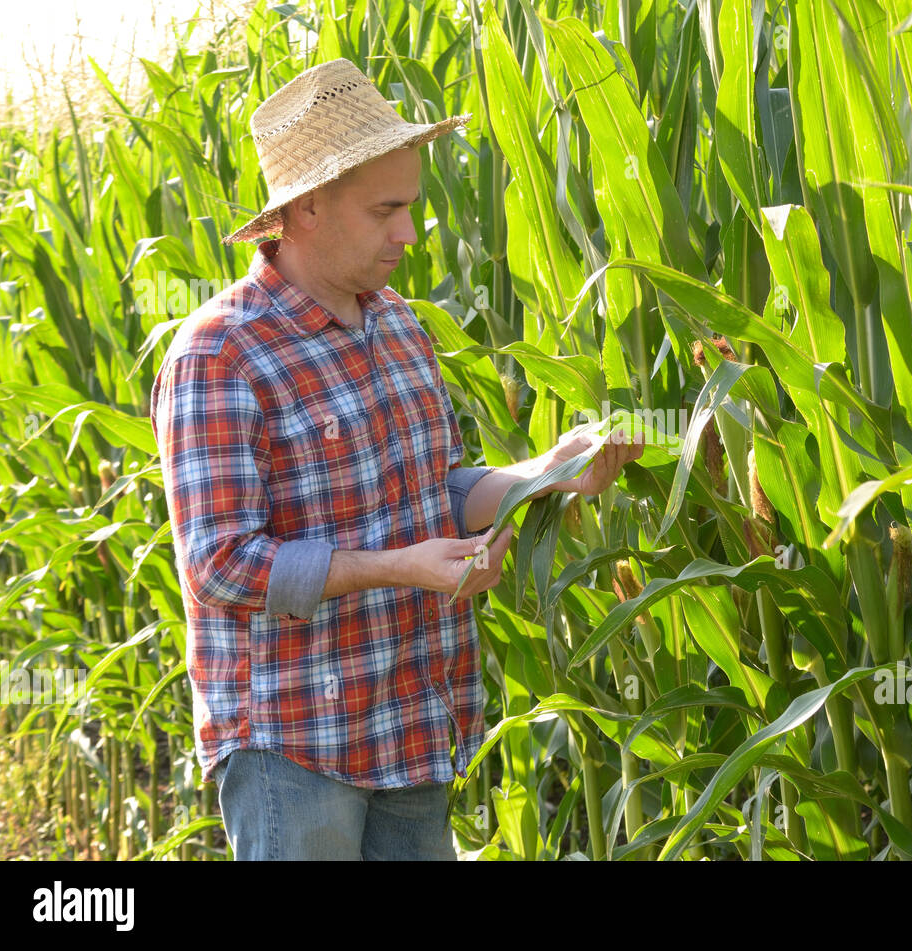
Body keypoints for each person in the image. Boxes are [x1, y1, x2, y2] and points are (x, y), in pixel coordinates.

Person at [149, 58, 642, 861]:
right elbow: (220, 566)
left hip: (413, 721)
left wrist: (547, 472)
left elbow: (434, 493)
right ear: (305, 207)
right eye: (387, 210)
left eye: (411, 207)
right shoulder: (219, 354)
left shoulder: (404, 328)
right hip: (297, 746)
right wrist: (398, 568)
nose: (409, 233)